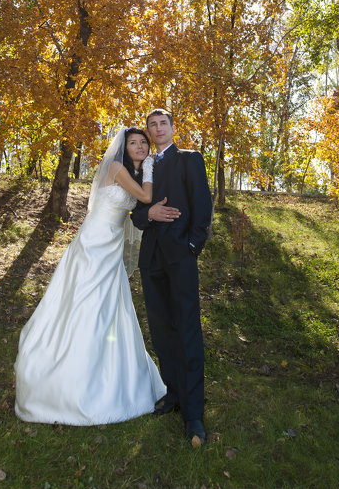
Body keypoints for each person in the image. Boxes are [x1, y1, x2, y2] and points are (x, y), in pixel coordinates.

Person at [14, 128, 166, 425]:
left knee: (112, 308)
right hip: (94, 244)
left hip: (112, 246)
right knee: (87, 304)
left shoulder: (131, 174)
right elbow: (146, 197)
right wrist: (150, 167)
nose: (139, 146)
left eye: (143, 143)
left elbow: (140, 210)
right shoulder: (117, 168)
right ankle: (70, 382)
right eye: (134, 143)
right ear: (125, 148)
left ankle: (113, 375)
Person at [131, 109, 212, 446]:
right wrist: (148, 213)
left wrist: (192, 245)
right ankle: (174, 394)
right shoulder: (142, 166)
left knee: (187, 330)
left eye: (163, 123)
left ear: (173, 128)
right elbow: (135, 215)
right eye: (152, 124)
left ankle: (194, 414)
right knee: (162, 331)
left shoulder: (189, 160)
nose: (158, 128)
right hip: (151, 260)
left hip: (180, 257)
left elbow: (203, 206)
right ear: (149, 131)